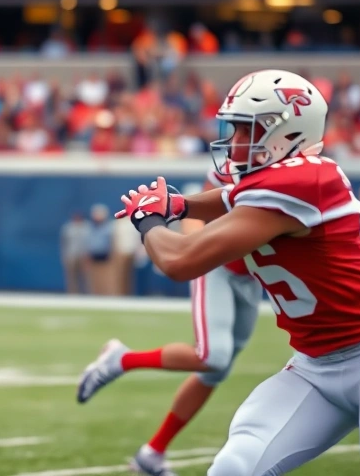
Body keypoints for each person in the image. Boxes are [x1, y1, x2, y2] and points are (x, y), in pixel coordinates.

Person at [84, 70, 360, 475]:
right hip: (314, 365)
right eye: (235, 129)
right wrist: (180, 206)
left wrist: (148, 221)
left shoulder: (304, 179)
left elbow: (179, 261)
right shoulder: (274, 180)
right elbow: (230, 197)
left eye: (249, 129)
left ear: (290, 132)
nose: (235, 142)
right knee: (234, 465)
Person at [78, 166, 262, 476]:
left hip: (253, 274)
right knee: (212, 356)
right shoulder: (232, 168)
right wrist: (196, 246)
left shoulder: (290, 173)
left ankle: (152, 453)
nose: (236, 144)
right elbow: (195, 214)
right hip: (218, 266)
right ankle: (122, 359)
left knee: (216, 371)